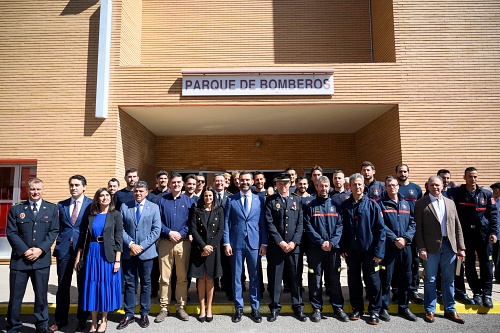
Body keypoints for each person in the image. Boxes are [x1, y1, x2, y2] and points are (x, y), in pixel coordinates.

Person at [6, 178, 59, 333]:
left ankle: (42, 326)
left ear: (43, 190)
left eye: (38, 189)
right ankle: (13, 326)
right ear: (27, 190)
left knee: (41, 296)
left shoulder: (51, 209)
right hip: (20, 260)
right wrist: (25, 251)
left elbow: (53, 232)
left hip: (41, 260)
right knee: (16, 296)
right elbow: (11, 232)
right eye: (32, 189)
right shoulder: (17, 209)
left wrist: (40, 249)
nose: (35, 192)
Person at [414, 176, 466, 324]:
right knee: (430, 279)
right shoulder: (421, 204)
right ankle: (430, 309)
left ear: (443, 186)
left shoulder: (450, 203)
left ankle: (450, 309)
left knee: (449, 279)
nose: (435, 187)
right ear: (428, 187)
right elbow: (418, 229)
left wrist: (461, 247)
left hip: (450, 246)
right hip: (430, 248)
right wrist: (421, 247)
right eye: (432, 185)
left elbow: (457, 226)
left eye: (437, 185)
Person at [75, 188, 123, 333]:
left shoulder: (116, 215)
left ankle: (104, 320)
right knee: (93, 287)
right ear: (97, 199)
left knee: (105, 287)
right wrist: (78, 258)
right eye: (101, 196)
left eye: (107, 195)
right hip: (92, 254)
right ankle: (93, 322)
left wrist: (117, 260)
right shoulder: (90, 215)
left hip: (108, 254)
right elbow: (82, 237)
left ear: (111, 198)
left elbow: (119, 238)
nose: (104, 198)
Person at [340, 173, 385, 325]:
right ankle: (357, 308)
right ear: (350, 187)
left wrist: (379, 252)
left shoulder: (373, 205)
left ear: (363, 186)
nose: (357, 187)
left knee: (372, 281)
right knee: (354, 281)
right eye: (354, 184)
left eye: (360, 184)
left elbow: (380, 230)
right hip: (351, 251)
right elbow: (342, 229)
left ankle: (374, 311)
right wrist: (343, 248)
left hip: (370, 251)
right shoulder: (345, 206)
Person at [450, 167, 498, 308]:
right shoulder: (458, 193)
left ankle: (487, 294)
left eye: (475, 176)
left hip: (483, 235)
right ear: (465, 177)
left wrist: (493, 233)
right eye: (470, 176)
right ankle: (476, 292)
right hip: (466, 235)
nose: (473, 179)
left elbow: (493, 215)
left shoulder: (486, 194)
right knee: (469, 264)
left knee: (486, 265)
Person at [224, 171, 268, 323]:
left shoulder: (259, 200)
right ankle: (239, 308)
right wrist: (226, 242)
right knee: (237, 277)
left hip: (254, 243)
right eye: (242, 180)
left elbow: (263, 223)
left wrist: (264, 243)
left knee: (255, 276)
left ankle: (255, 308)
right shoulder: (231, 199)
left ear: (252, 182)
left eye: (247, 180)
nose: (245, 182)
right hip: (236, 243)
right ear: (238, 181)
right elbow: (226, 223)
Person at [50, 175, 92, 332]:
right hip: (64, 250)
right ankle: (60, 320)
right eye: (71, 185)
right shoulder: (61, 205)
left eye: (77, 185)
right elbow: (55, 227)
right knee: (62, 286)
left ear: (84, 187)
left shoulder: (91, 205)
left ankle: (82, 319)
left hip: (83, 251)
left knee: (83, 286)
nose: (73, 188)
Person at [117, 181, 161, 330]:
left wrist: (141, 246)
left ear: (147, 192)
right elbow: (120, 228)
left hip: (146, 252)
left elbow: (156, 230)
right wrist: (131, 244)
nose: (138, 194)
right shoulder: (125, 206)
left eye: (141, 191)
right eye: (136, 191)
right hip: (129, 252)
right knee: (129, 283)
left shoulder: (154, 207)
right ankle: (129, 313)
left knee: (146, 284)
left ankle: (144, 313)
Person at [304, 176, 347, 323]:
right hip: (316, 249)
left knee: (334, 279)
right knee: (315, 280)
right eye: (320, 186)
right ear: (316, 187)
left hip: (333, 249)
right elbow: (308, 228)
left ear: (329, 187)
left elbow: (340, 226)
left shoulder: (336, 205)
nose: (323, 189)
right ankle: (316, 308)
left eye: (326, 186)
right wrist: (321, 242)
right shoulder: (310, 206)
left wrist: (332, 242)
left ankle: (337, 307)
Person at [265, 173, 306, 322]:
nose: (283, 186)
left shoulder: (297, 200)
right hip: (277, 247)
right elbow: (269, 223)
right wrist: (280, 242)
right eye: (280, 184)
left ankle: (298, 308)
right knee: (276, 279)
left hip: (293, 247)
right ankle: (275, 308)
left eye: (285, 183)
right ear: (276, 185)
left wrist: (294, 242)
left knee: (295, 278)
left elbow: (300, 223)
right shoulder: (270, 201)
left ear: (290, 184)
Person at [155, 173, 195, 323]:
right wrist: (169, 232)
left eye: (179, 182)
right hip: (165, 242)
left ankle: (180, 307)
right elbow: (157, 221)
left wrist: (181, 233)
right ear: (170, 184)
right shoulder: (161, 201)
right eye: (174, 182)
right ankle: (164, 308)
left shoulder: (189, 202)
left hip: (182, 244)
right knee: (165, 278)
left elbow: (191, 223)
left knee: (182, 277)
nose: (176, 184)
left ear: (183, 184)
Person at [378, 176, 417, 322]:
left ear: (398, 186)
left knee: (405, 277)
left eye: (394, 185)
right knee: (386, 278)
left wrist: (405, 238)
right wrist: (395, 239)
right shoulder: (381, 204)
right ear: (385, 187)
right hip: (389, 247)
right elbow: (381, 225)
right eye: (389, 185)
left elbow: (413, 223)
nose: (392, 187)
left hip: (405, 246)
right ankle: (384, 308)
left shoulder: (406, 204)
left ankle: (404, 307)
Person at [189, 187, 224, 322]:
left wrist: (210, 247)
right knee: (201, 279)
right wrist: (203, 246)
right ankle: (202, 308)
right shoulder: (197, 210)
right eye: (206, 195)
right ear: (202, 197)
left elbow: (220, 230)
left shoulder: (219, 210)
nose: (208, 198)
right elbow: (193, 229)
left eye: (210, 195)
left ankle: (209, 308)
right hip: (199, 249)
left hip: (213, 250)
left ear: (213, 197)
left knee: (210, 279)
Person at [395, 164, 424, 305]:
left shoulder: (416, 189)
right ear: (396, 173)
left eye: (405, 171)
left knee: (414, 262)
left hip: (413, 230)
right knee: (397, 263)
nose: (402, 173)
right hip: (397, 232)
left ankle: (413, 290)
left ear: (408, 172)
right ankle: (396, 290)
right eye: (400, 171)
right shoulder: (393, 187)